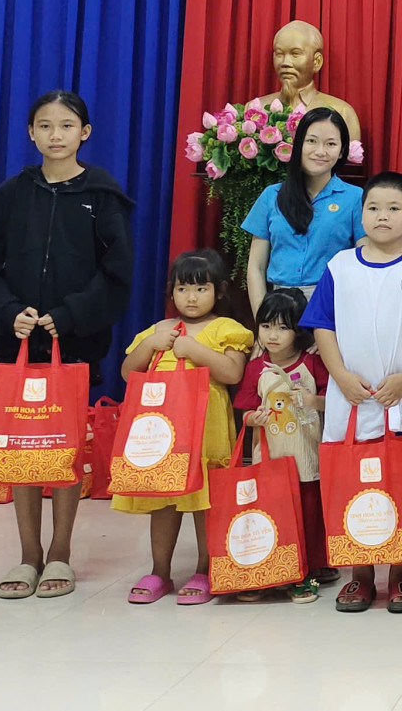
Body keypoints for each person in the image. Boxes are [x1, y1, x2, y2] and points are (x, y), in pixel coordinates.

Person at [0, 90, 135, 600]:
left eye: (66, 125)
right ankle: (27, 555)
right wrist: (7, 312)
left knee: (60, 447)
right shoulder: (14, 194)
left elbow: (117, 274)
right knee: (20, 446)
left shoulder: (102, 195)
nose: (55, 135)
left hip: (71, 344)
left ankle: (60, 552)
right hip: (13, 344)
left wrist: (71, 314)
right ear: (31, 133)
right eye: (44, 126)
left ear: (85, 132)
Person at [301, 172, 402, 613]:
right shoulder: (340, 265)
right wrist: (342, 376)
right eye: (373, 208)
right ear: (361, 214)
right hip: (350, 397)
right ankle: (360, 576)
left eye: (393, 209)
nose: (382, 216)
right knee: (354, 483)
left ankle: (401, 575)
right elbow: (323, 325)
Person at [115, 249, 252, 606]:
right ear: (171, 292)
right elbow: (129, 374)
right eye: (182, 289)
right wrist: (150, 344)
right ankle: (160, 571)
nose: (191, 298)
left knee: (206, 500)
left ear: (219, 291)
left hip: (207, 430)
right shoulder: (159, 329)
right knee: (163, 500)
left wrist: (195, 350)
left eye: (201, 289)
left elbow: (233, 373)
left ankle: (206, 569)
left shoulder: (227, 329)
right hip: (163, 432)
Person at [238, 288, 334, 603]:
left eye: (282, 327)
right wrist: (256, 418)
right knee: (271, 512)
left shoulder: (312, 362)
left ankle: (304, 571)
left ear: (298, 330)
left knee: (306, 514)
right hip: (270, 457)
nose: (273, 335)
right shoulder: (256, 368)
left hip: (306, 455)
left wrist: (313, 400)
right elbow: (246, 411)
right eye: (266, 326)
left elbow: (332, 401)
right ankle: (269, 570)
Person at [242, 106, 363, 315]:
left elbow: (364, 265)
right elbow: (256, 267)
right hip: (277, 309)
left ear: (342, 150)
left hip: (331, 307)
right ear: (298, 145)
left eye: (331, 144)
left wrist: (336, 321)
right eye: (312, 141)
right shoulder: (272, 195)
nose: (320, 151)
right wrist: (263, 323)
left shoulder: (356, 198)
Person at [249, 20, 361, 140]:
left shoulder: (342, 112)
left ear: (316, 61)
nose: (285, 63)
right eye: (279, 54)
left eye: (295, 54)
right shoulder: (255, 110)